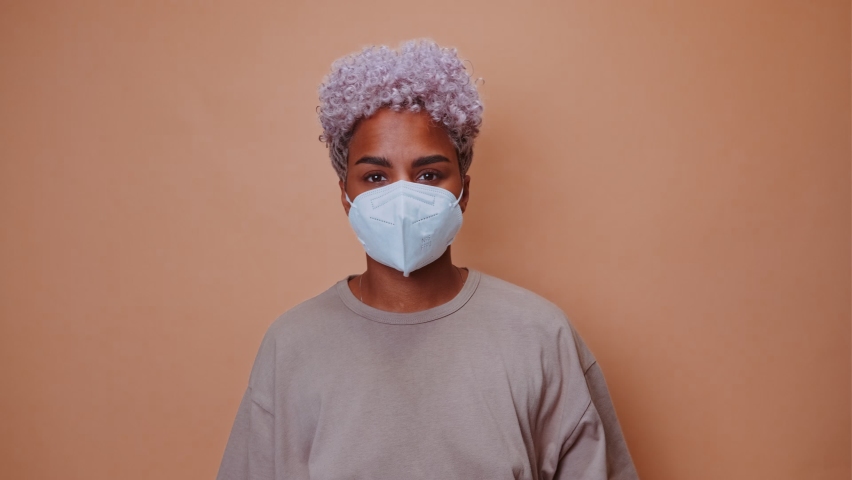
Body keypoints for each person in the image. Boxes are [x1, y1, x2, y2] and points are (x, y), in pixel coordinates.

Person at [216, 39, 639, 480]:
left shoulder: (539, 336)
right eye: (376, 176)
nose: (401, 196)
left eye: (429, 174)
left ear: (464, 191)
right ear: (346, 197)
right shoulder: (293, 345)